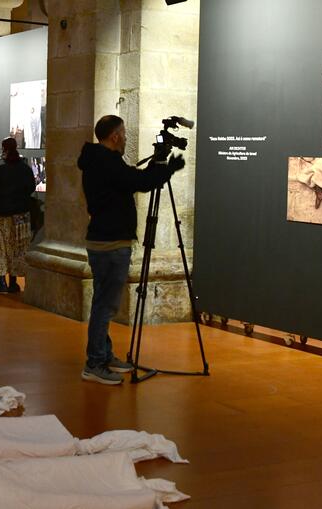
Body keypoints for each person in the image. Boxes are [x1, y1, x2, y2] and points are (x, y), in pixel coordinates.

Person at [77, 115, 184, 385]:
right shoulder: (106, 161)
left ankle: (105, 353)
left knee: (104, 302)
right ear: (114, 136)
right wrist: (166, 167)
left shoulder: (97, 160)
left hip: (104, 241)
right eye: (123, 133)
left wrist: (160, 164)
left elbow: (132, 179)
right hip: (111, 243)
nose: (125, 137)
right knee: (105, 305)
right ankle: (95, 363)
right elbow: (140, 182)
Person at [0, 137, 36, 294]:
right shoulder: (24, 168)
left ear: (3, 148)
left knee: (0, 248)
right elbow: (31, 186)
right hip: (21, 215)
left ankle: (0, 282)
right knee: (17, 248)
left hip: (2, 214)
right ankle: (13, 282)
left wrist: (1, 193)